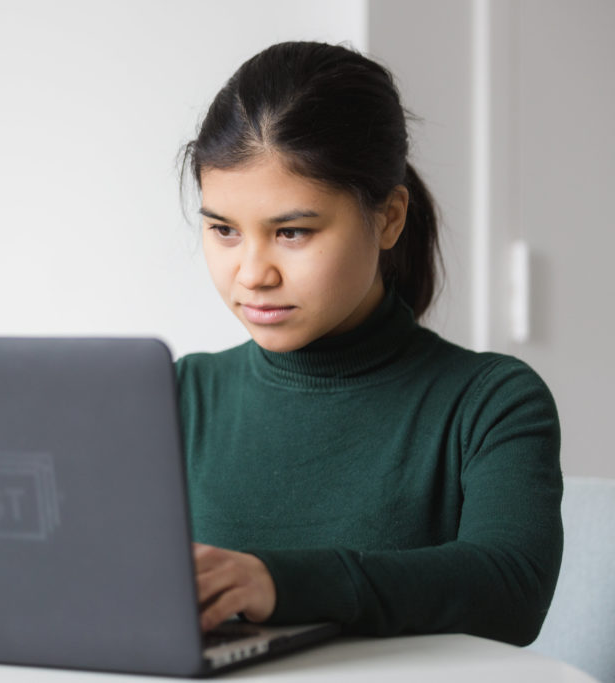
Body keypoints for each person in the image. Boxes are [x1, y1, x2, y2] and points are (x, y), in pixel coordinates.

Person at [176, 41, 562, 646]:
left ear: (388, 217)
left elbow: (511, 589)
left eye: (292, 232)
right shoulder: (178, 395)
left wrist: (280, 582)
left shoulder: (490, 401)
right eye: (223, 229)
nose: (252, 273)